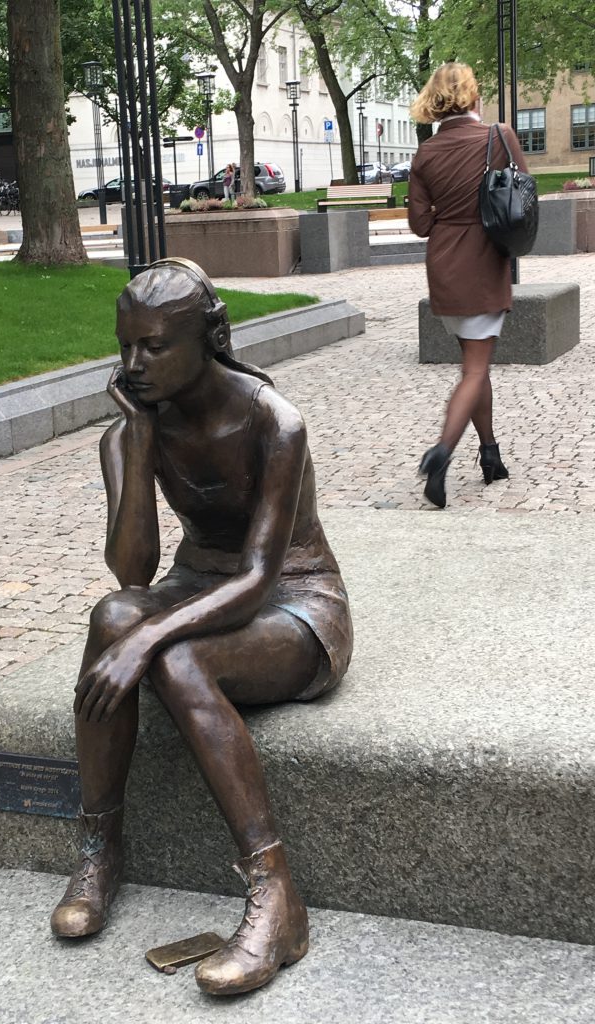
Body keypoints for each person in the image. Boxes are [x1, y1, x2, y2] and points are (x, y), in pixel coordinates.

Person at [49, 257, 353, 997]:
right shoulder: (130, 431)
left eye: (154, 347)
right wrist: (140, 445)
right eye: (125, 346)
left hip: (295, 604)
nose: (133, 364)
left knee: (176, 659)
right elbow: (133, 573)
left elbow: (255, 580)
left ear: (208, 338)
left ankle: (277, 895)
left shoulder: (273, 421)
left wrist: (152, 640)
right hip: (194, 585)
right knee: (110, 616)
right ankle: (99, 848)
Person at [408, 63, 528, 508]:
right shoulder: (499, 136)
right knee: (474, 370)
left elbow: (420, 224)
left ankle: (490, 453)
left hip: (443, 263)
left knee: (476, 363)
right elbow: (523, 196)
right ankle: (442, 452)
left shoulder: (425, 153)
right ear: (473, 95)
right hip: (483, 260)